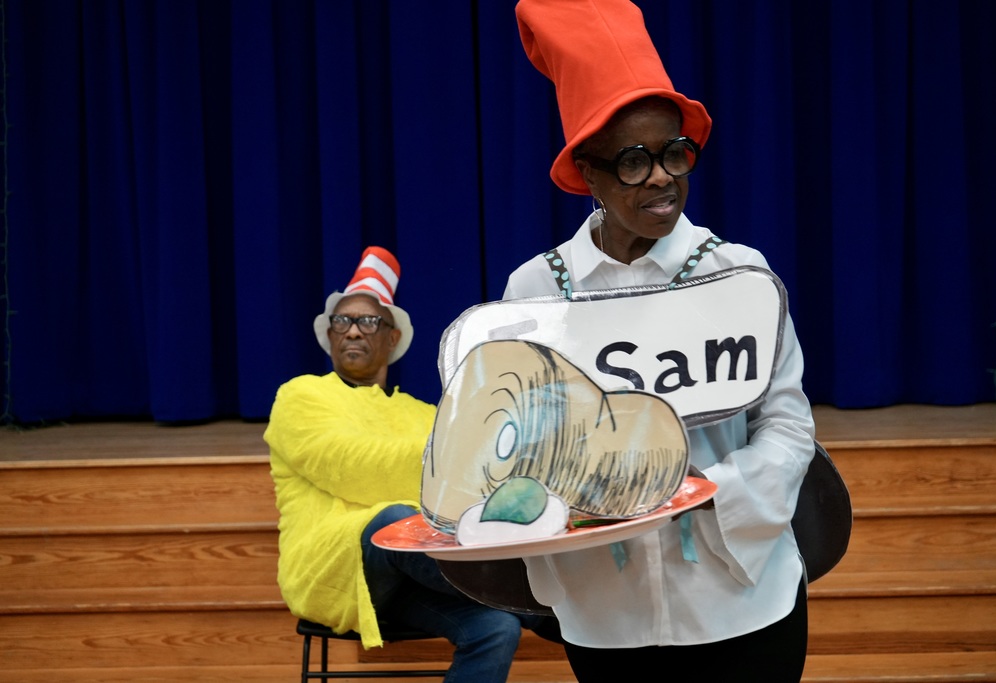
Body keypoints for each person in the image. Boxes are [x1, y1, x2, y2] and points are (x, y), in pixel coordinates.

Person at [503, 1, 816, 680]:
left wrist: (703, 490)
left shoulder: (739, 274)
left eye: (675, 152)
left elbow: (788, 427)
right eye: (633, 160)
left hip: (742, 603)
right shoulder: (535, 292)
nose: (662, 177)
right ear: (587, 172)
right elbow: (520, 444)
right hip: (605, 615)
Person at [265, 246, 533, 683]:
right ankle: (533, 599)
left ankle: (524, 603)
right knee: (391, 518)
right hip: (333, 565)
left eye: (368, 321)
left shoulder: (424, 412)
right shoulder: (300, 396)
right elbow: (353, 467)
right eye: (342, 321)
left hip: (416, 568)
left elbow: (467, 480)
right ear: (329, 336)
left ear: (392, 338)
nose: (352, 331)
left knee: (496, 629)